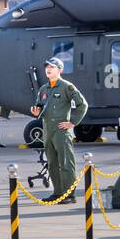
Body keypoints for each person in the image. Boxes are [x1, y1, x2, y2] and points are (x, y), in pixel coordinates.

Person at [30, 56, 87, 203]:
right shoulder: (44, 88)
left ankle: (70, 195)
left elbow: (82, 105)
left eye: (52, 67)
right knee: (52, 163)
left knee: (66, 163)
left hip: (62, 131)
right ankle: (58, 193)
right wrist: (37, 113)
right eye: (47, 67)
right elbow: (40, 107)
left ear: (59, 70)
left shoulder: (67, 86)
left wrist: (72, 122)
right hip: (48, 129)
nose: (48, 69)